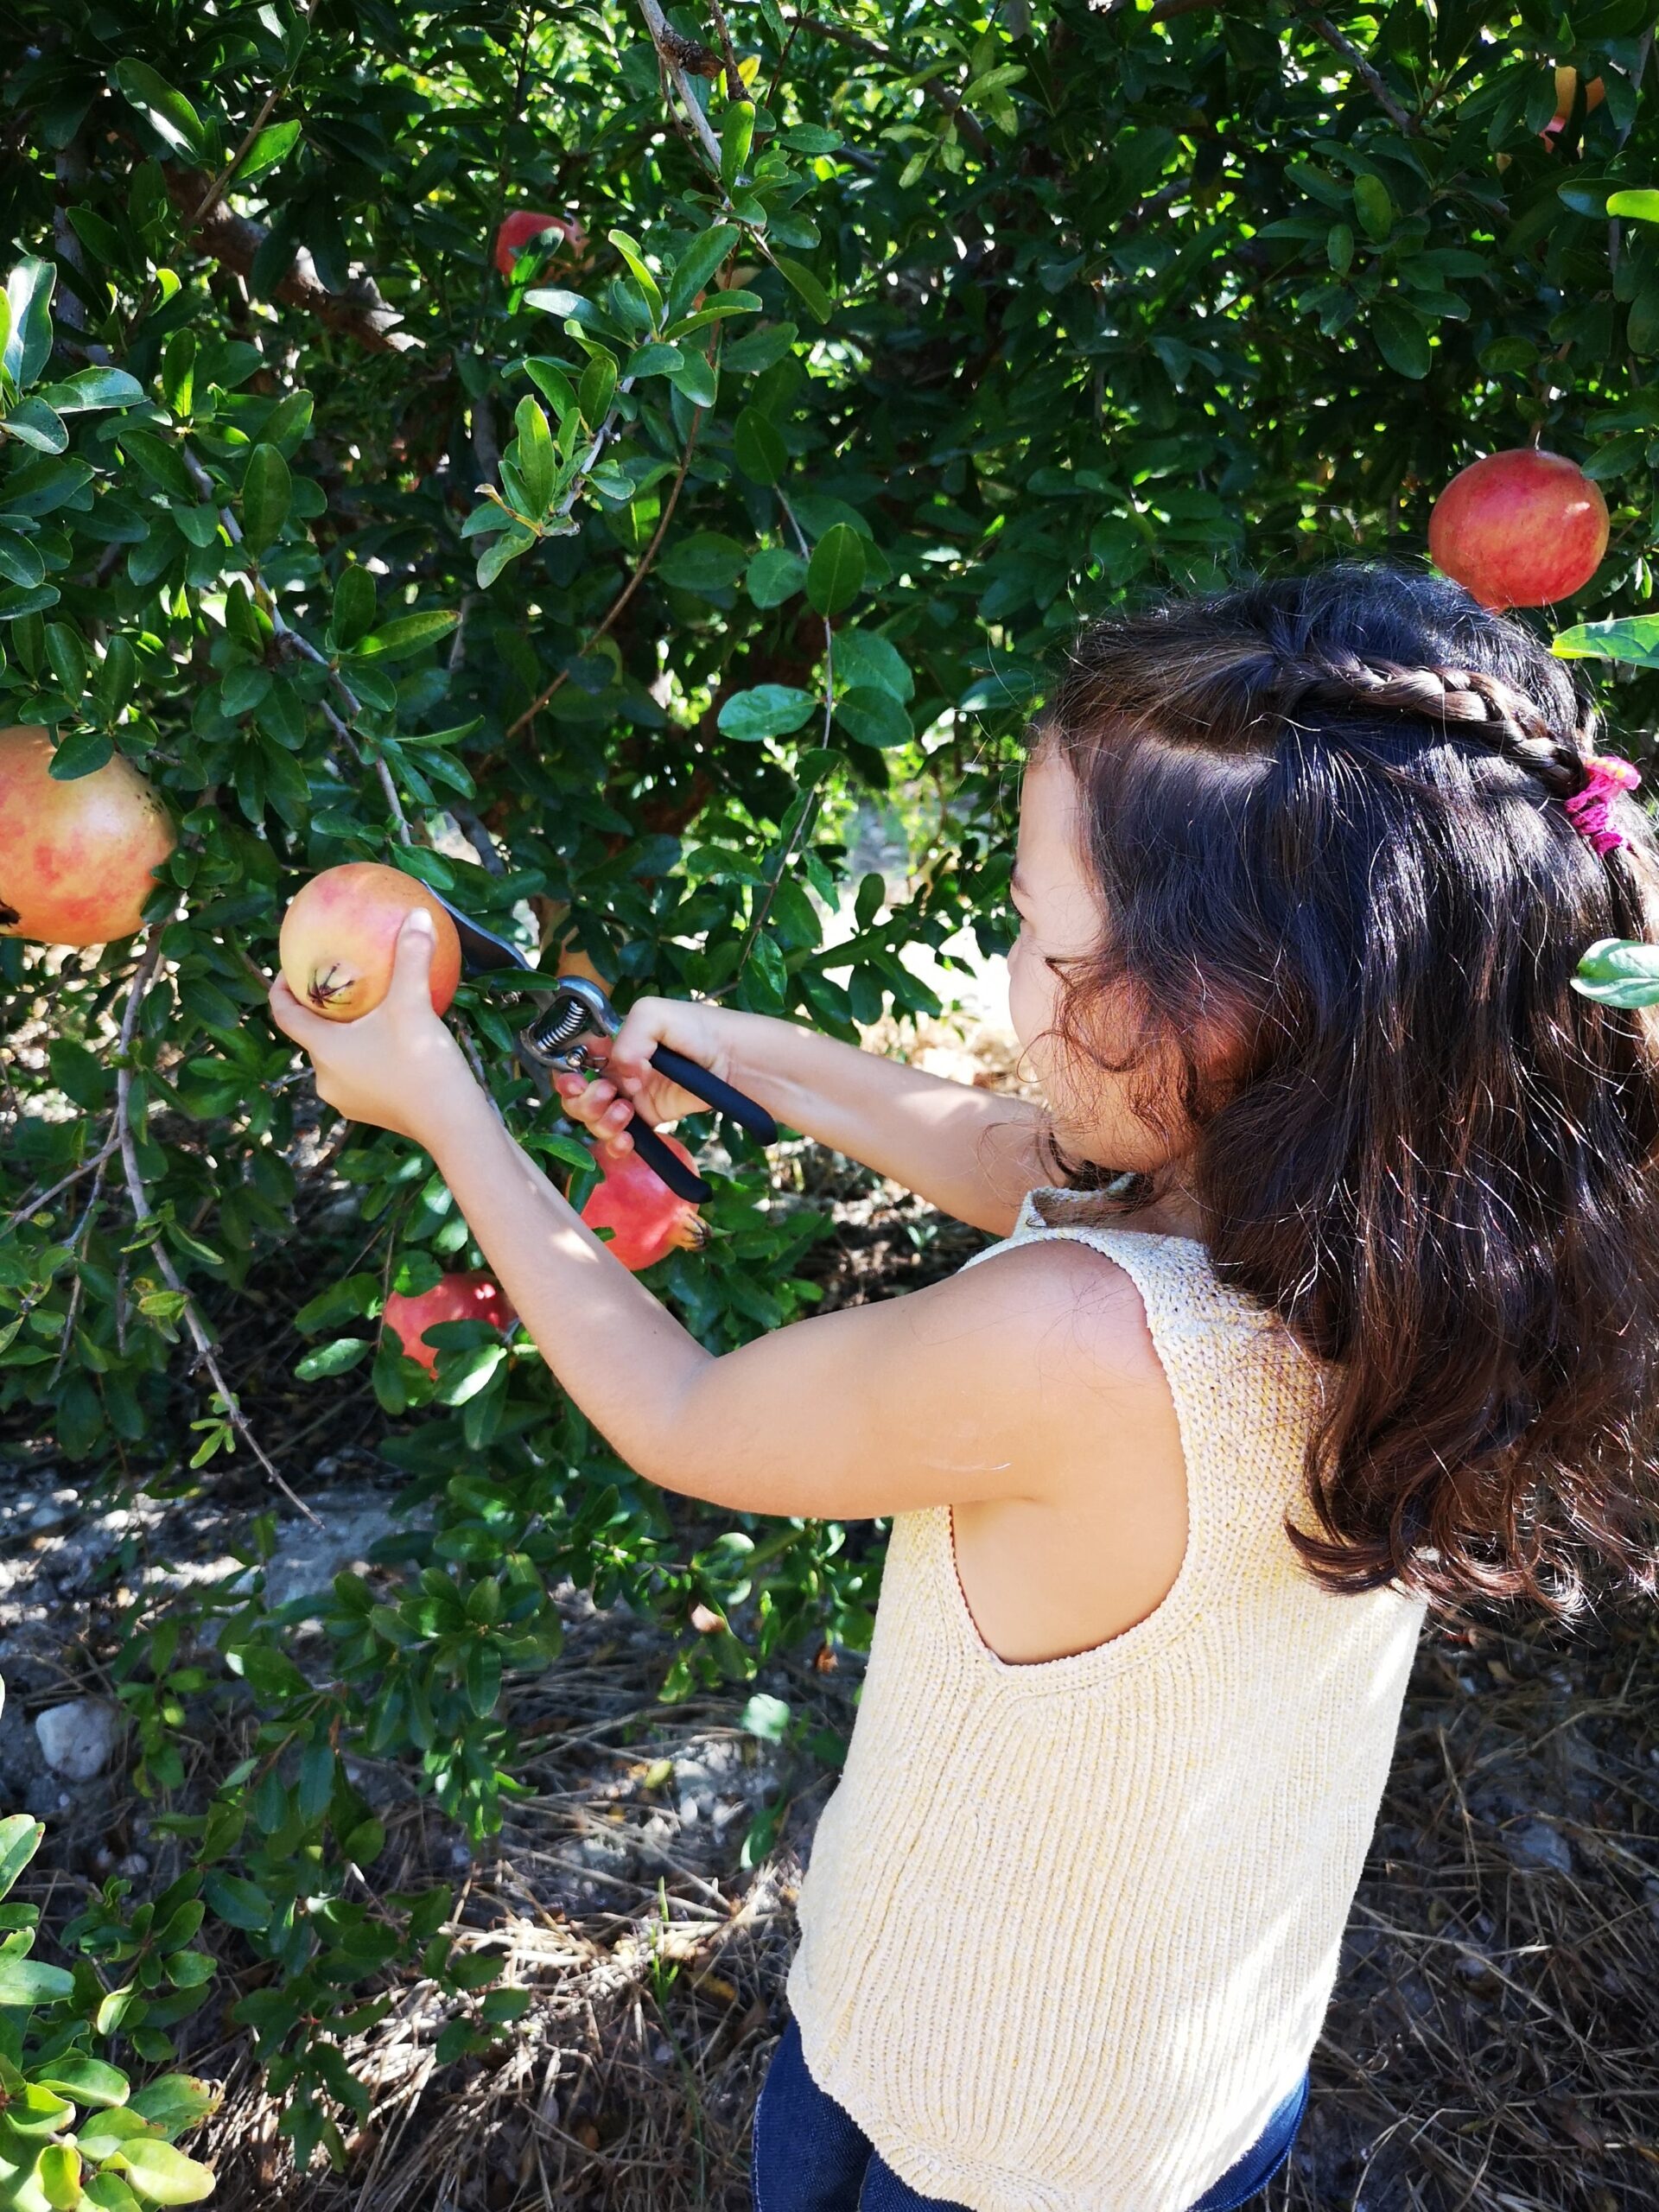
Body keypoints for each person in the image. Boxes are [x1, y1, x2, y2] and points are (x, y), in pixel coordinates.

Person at [270, 562, 1659, 2212]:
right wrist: (744, 1054)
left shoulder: (1075, 1340)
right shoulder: (1416, 1239)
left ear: (1218, 1018)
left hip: (973, 2114)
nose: (1009, 959)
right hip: (1190, 2080)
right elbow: (1024, 1160)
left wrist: (444, 1107)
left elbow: (685, 1416)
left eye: (1029, 928)